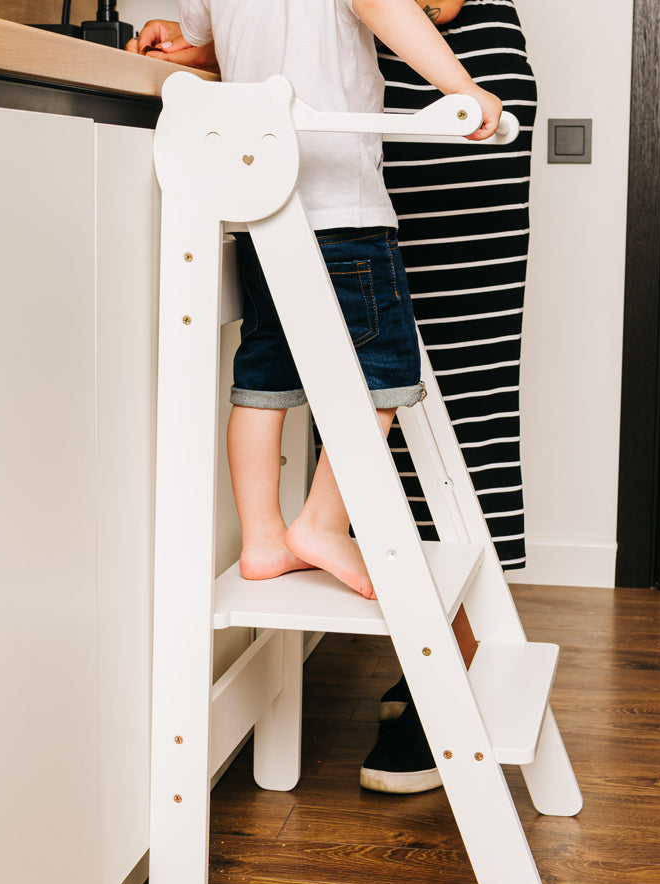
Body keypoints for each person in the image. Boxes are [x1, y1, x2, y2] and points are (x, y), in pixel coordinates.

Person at [129, 2, 502, 602]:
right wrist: (462, 88)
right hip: (342, 209)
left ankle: (262, 538)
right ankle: (322, 523)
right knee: (385, 371)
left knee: (264, 371)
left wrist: (176, 40)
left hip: (260, 204)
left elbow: (201, 38)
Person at [360, 0, 539, 792]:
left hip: (448, 71)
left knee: (457, 386)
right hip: (389, 74)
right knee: (376, 376)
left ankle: (454, 663)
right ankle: (433, 649)